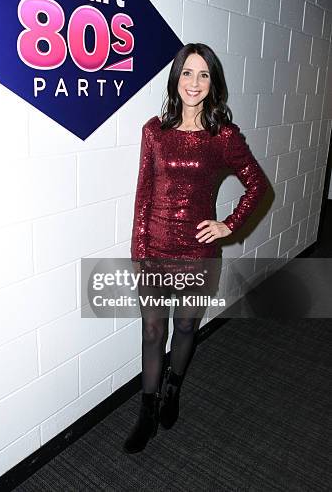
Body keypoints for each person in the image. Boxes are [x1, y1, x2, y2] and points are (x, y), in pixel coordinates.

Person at [123, 42, 270, 453]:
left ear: (213, 83)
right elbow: (143, 194)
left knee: (186, 326)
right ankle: (147, 411)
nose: (194, 82)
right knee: (153, 330)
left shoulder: (222, 136)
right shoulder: (154, 131)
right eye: (187, 73)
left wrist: (229, 225)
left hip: (197, 254)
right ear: (176, 79)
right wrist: (139, 251)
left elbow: (258, 185)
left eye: (203, 74)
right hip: (154, 246)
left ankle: (173, 389)